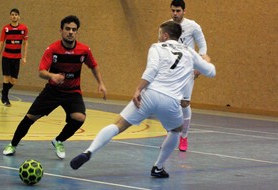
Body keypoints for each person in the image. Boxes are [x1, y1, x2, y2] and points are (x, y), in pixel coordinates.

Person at [70, 21, 216, 178]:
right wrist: (206, 61)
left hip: (150, 94)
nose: (158, 37)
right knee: (175, 131)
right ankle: (158, 167)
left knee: (118, 124)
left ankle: (89, 151)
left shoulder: (157, 47)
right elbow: (211, 72)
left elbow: (152, 69)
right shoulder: (189, 52)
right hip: (171, 100)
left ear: (165, 35)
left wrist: (139, 89)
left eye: (160, 34)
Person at [2, 15, 107, 159]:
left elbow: (93, 65)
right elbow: (41, 72)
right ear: (61, 30)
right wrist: (52, 76)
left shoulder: (84, 50)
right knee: (30, 117)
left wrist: (100, 83)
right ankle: (12, 145)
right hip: (52, 91)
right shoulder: (52, 49)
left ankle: (58, 140)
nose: (70, 32)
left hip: (72, 92)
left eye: (74, 30)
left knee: (79, 117)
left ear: (77, 32)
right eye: (67, 29)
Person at [169, 0, 209, 151]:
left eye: (178, 11)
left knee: (184, 103)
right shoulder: (166, 26)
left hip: (187, 70)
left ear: (184, 11)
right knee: (170, 103)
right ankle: (171, 136)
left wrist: (199, 64)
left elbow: (203, 45)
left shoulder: (193, 26)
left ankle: (184, 136)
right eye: (173, 10)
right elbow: (161, 45)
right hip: (171, 71)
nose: (175, 14)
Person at [0, 8, 29, 107]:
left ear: (19, 16)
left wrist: (24, 57)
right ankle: (5, 98)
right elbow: (1, 43)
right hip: (6, 57)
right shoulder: (6, 29)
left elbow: (25, 43)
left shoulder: (24, 28)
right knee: (6, 77)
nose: (14, 16)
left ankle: (4, 91)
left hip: (16, 58)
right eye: (12, 14)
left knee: (13, 80)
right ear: (10, 16)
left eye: (16, 14)